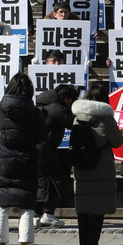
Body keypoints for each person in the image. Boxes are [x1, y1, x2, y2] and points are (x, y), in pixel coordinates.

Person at [0, 72, 46, 245]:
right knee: (26, 205)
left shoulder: (0, 108)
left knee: (1, 205)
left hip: (2, 161)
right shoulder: (35, 112)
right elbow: (42, 137)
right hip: (26, 160)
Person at [71, 83, 123, 245]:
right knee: (98, 208)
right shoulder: (106, 118)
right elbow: (118, 142)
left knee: (83, 209)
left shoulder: (77, 117)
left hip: (81, 167)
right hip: (101, 167)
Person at [34, 84, 77, 228]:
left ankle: (36, 214)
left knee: (41, 181)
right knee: (56, 181)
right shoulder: (58, 107)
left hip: (36, 148)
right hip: (47, 149)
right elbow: (73, 124)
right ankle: (48, 213)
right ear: (67, 98)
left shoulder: (42, 103)